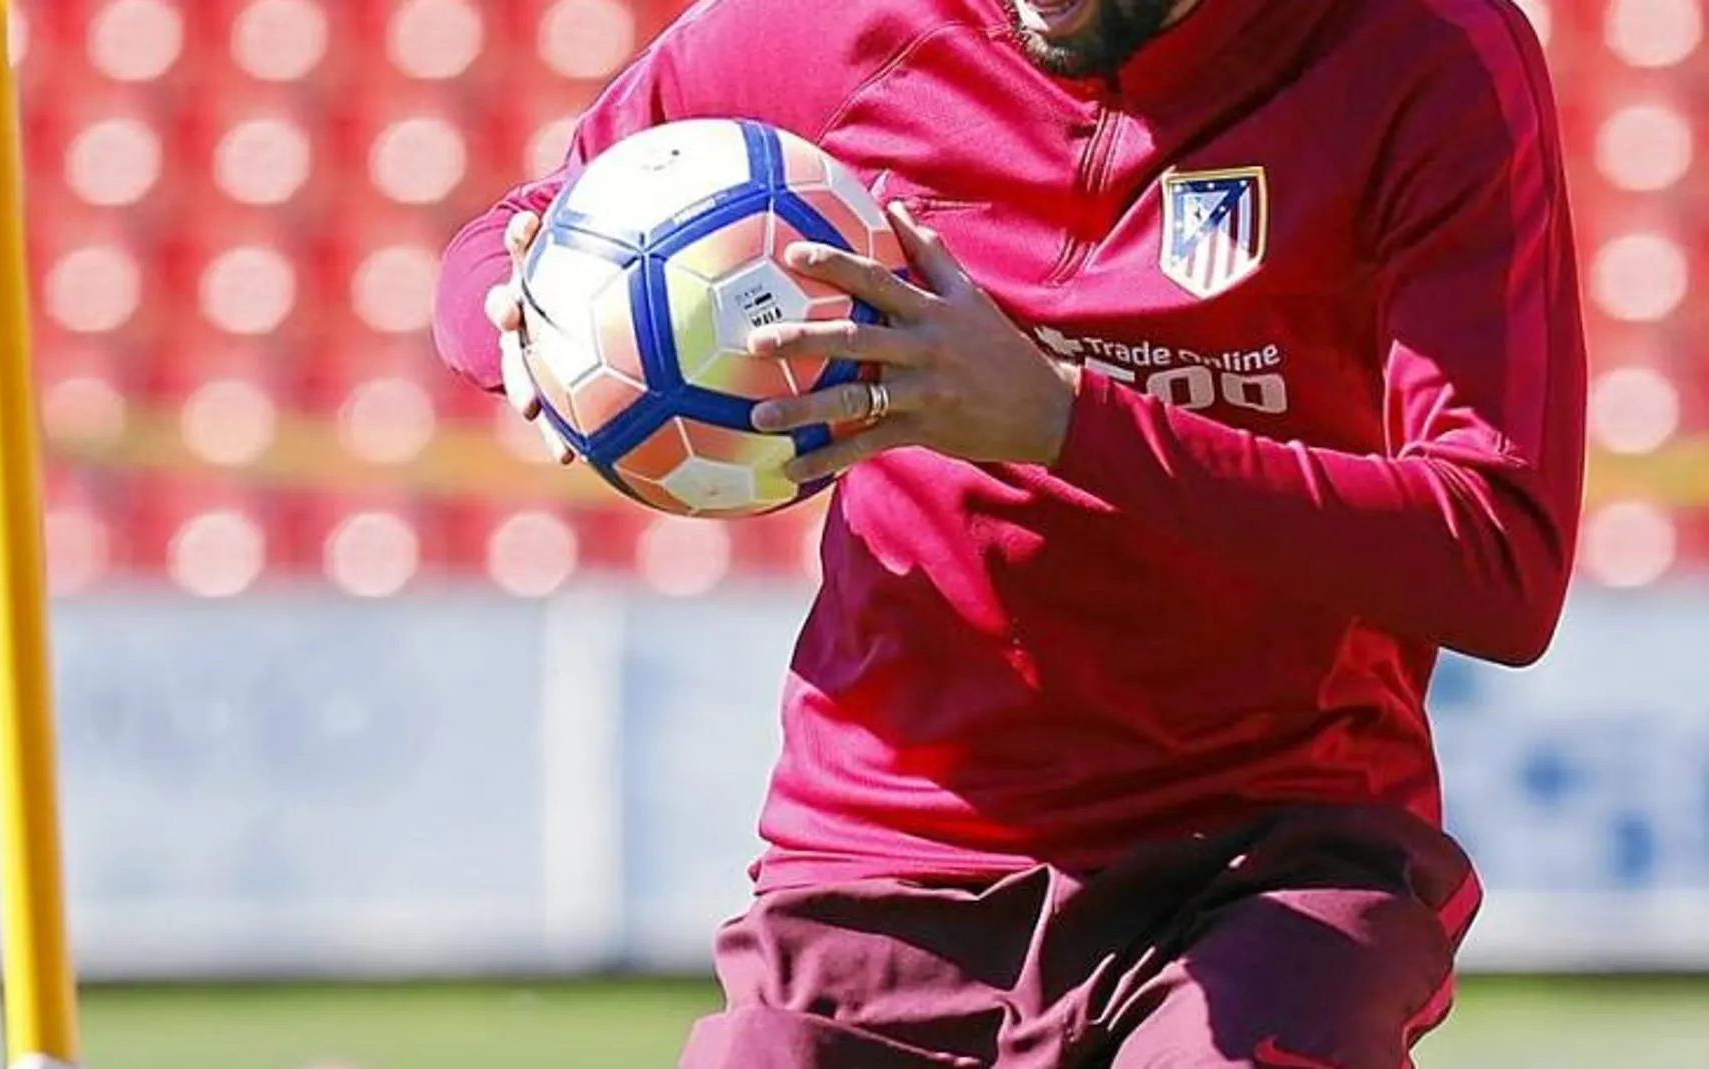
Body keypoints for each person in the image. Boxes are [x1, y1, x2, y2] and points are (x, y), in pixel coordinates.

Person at [434, 0, 1587, 1065]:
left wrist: (1059, 420)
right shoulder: (830, 27)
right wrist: (540, 338)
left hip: (1270, 848)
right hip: (890, 849)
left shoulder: (1417, 53)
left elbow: (1499, 558)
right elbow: (503, 248)